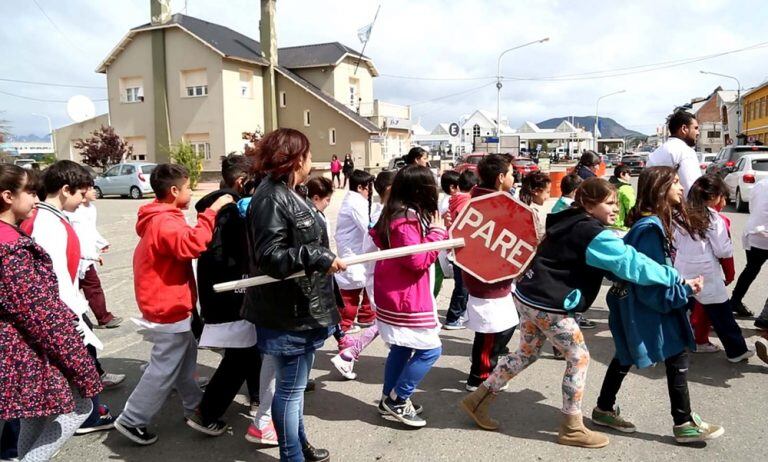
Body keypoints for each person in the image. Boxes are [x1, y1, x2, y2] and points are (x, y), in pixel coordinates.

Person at [461, 177, 696, 448]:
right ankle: (572, 427)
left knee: (526, 353)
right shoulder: (593, 233)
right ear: (589, 204)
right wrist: (672, 276)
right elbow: (630, 263)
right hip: (551, 305)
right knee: (579, 357)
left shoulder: (566, 219)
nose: (615, 209)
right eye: (609, 203)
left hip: (529, 296)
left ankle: (477, 400)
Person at [592, 166, 723, 444]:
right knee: (676, 354)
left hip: (635, 303)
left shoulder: (651, 224)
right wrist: (684, 290)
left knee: (625, 354)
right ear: (661, 189)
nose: (680, 187)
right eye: (674, 182)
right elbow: (649, 283)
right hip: (647, 305)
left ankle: (604, 407)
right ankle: (683, 421)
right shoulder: (651, 229)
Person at [242, 128, 345, 462]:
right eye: (308, 154)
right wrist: (316, 256)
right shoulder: (270, 197)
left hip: (302, 307)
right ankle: (292, 455)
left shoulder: (291, 191)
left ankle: (300, 445)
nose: (312, 161)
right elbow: (271, 257)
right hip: (287, 313)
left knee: (295, 388)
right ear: (295, 158)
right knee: (289, 390)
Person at [114, 164, 233, 445]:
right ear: (174, 191)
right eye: (189, 187)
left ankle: (194, 406)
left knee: (183, 359)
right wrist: (212, 211)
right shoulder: (165, 222)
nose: (191, 192)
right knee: (164, 367)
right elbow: (193, 244)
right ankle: (132, 419)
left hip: (169, 303)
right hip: (167, 305)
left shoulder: (161, 216)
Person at [0, 165, 103, 460]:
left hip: (22, 346)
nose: (36, 197)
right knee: (80, 406)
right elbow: (41, 313)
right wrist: (80, 364)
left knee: (34, 416)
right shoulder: (11, 250)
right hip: (24, 347)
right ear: (8, 196)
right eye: (30, 191)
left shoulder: (11, 237)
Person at [20, 160, 119, 434]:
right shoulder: (47, 223)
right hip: (63, 308)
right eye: (79, 193)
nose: (82, 200)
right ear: (65, 190)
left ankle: (88, 412)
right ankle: (86, 417)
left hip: (66, 305)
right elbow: (53, 276)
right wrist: (70, 317)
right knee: (81, 362)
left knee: (83, 361)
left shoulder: (53, 218)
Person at [185, 154, 270, 442]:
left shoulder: (219, 206)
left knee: (248, 351)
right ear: (241, 182)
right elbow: (227, 258)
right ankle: (206, 413)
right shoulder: (229, 212)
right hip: (231, 294)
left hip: (228, 292)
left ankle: (257, 395)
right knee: (240, 356)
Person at [371, 164, 447, 428]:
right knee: (431, 349)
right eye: (430, 185)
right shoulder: (404, 218)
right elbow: (416, 260)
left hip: (398, 290)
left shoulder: (397, 211)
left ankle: (386, 399)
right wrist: (437, 235)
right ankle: (398, 398)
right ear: (419, 189)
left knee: (402, 348)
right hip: (404, 295)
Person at [674, 175, 757, 362]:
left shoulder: (679, 215)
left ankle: (685, 343)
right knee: (722, 314)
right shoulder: (714, 219)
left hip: (682, 268)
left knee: (682, 309)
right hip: (706, 273)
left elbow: (674, 242)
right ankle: (736, 351)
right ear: (714, 197)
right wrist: (729, 273)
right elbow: (723, 250)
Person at [330, 171, 398, 382]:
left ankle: (350, 350)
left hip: (367, 266)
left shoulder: (379, 209)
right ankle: (347, 347)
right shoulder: (373, 210)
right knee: (351, 308)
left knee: (387, 320)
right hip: (363, 265)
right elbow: (371, 234)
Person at [461, 154, 520, 391]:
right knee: (489, 330)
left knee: (505, 325)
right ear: (500, 178)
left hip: (500, 278)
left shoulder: (496, 201)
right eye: (512, 173)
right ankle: (479, 376)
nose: (514, 177)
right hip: (486, 279)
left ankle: (488, 366)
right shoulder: (484, 205)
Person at [65, 185, 121, 329]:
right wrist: (89, 256)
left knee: (89, 287)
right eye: (89, 189)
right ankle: (103, 318)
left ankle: (102, 317)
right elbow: (76, 237)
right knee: (89, 287)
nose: (94, 191)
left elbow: (90, 231)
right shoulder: (71, 212)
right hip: (80, 258)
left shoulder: (91, 209)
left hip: (87, 257)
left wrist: (101, 242)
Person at [334, 169, 376, 334]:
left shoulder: (356, 201)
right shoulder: (355, 202)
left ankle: (366, 316)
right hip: (353, 254)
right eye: (368, 188)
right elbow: (368, 227)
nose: (370, 192)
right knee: (350, 293)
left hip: (359, 252)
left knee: (367, 282)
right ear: (360, 187)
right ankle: (343, 325)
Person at [443, 170, 478, 330]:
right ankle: (453, 317)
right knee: (462, 286)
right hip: (463, 250)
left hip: (455, 249)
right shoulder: (466, 203)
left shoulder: (455, 200)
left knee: (462, 285)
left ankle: (458, 314)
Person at [731, 177, 768, 320]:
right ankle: (765, 317)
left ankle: (735, 300)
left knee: (751, 268)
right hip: (763, 233)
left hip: (753, 232)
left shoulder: (761, 183)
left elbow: (752, 207)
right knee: (752, 268)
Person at [647, 111, 701, 194]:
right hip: (679, 206)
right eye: (695, 128)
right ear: (684, 129)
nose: (698, 133)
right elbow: (692, 190)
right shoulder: (685, 152)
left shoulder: (655, 153)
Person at [519, 171, 551, 242]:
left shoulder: (527, 207)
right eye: (547, 192)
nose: (548, 197)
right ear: (536, 191)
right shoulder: (531, 211)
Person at [607, 165, 635, 231]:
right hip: (621, 226)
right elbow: (630, 207)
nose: (630, 176)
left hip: (607, 223)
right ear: (622, 174)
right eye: (629, 174)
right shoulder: (625, 188)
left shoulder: (607, 185)